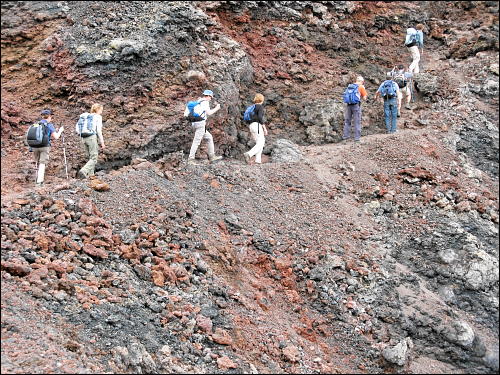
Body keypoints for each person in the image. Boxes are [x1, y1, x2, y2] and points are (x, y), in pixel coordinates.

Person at [184, 89, 222, 165]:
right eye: (211, 97)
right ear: (208, 96)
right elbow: (209, 113)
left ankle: (212, 156)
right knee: (196, 141)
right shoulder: (205, 102)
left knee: (209, 137)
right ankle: (191, 159)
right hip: (200, 124)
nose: (210, 99)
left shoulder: (198, 101)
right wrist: (217, 108)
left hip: (194, 123)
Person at [30, 109, 64, 185]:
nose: (51, 118)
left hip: (35, 145)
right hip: (44, 146)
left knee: (37, 162)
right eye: (51, 116)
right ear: (49, 116)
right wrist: (60, 131)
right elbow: (56, 137)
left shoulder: (36, 124)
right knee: (42, 163)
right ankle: (39, 182)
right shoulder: (49, 125)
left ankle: (36, 179)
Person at [76, 103, 105, 179]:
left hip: (83, 138)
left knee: (90, 158)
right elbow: (98, 130)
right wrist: (102, 142)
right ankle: (84, 171)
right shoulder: (98, 117)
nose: (101, 112)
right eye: (101, 110)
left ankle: (91, 176)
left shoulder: (85, 116)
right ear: (97, 109)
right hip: (91, 137)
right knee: (94, 158)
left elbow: (77, 129)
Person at [243, 93, 268, 164]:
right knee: (261, 142)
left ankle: (258, 160)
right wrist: (264, 128)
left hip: (251, 126)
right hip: (257, 125)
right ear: (262, 99)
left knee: (259, 143)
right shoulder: (259, 107)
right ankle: (249, 154)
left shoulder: (252, 107)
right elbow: (260, 117)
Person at [342, 75, 368, 142]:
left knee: (347, 121)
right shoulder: (361, 87)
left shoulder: (350, 86)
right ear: (362, 81)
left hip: (348, 105)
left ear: (356, 80)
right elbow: (365, 98)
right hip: (356, 106)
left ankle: (345, 137)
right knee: (357, 122)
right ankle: (357, 139)